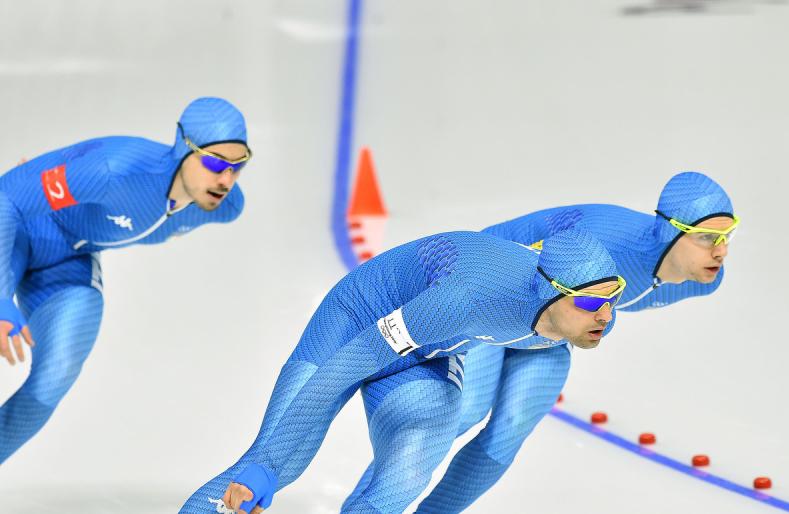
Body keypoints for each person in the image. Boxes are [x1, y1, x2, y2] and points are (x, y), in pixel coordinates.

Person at [344, 171, 737, 514]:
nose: (721, 251)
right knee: (465, 410)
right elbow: (488, 252)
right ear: (671, 229)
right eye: (708, 237)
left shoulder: (701, 282)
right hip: (497, 314)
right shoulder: (606, 240)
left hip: (547, 338)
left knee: (510, 429)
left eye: (728, 234)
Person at [181, 228, 626, 514]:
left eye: (614, 298)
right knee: (271, 463)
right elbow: (349, 365)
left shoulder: (576, 319)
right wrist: (267, 464)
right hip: (354, 324)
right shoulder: (465, 298)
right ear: (547, 289)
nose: (605, 316)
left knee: (405, 475)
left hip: (425, 355)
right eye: (590, 303)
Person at [0, 97, 251, 464]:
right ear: (184, 149)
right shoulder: (113, 172)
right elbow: (8, 197)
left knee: (55, 376)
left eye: (238, 165)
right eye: (215, 162)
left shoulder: (223, 207)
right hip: (21, 232)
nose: (226, 179)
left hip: (68, 261)